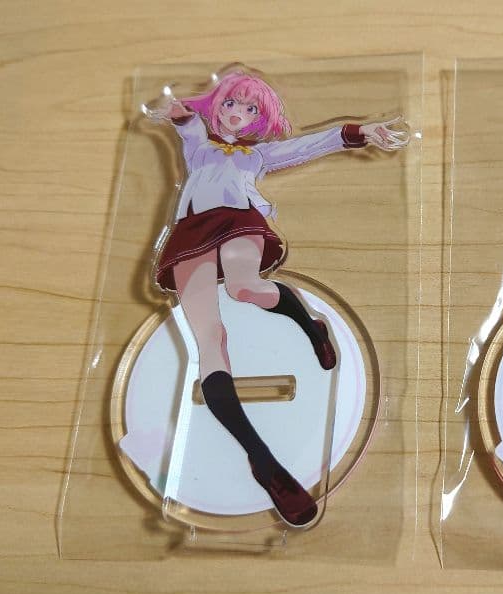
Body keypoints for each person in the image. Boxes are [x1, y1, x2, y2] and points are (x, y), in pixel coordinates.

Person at [146, 70, 406, 527]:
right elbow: (185, 122)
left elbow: (308, 145)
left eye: (250, 109)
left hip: (239, 222)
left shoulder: (257, 155)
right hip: (191, 234)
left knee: (244, 286)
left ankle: (310, 325)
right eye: (232, 103)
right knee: (209, 342)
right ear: (218, 104)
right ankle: (264, 462)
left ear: (259, 119)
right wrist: (176, 111)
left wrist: (358, 132)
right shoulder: (200, 146)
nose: (238, 115)